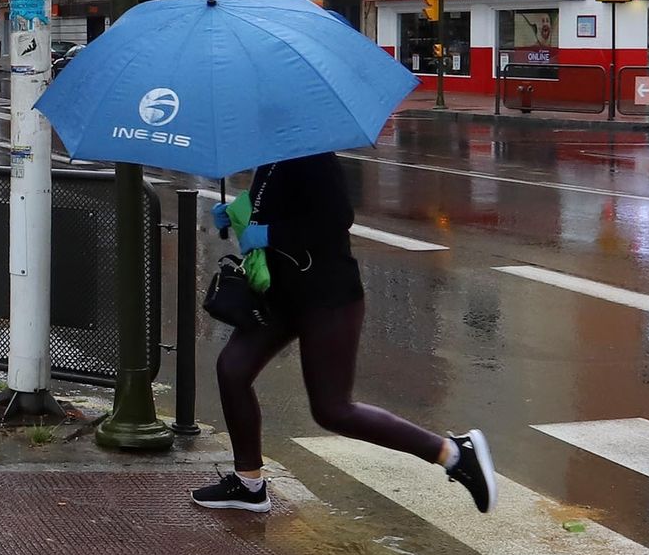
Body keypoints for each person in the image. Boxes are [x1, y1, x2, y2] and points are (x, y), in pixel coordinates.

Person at [191, 151, 497, 515]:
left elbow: (335, 219)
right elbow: (281, 206)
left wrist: (270, 233)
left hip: (328, 298)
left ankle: (454, 454)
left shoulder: (312, 154)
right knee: (233, 368)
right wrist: (240, 215)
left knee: (333, 410)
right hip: (282, 295)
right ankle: (249, 484)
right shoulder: (273, 155)